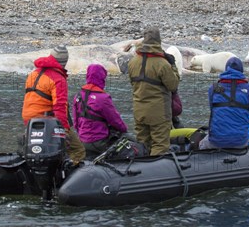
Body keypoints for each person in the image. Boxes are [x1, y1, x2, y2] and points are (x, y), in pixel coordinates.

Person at [21, 45, 86, 164]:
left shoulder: (33, 74)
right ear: (64, 62)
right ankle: (67, 177)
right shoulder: (58, 79)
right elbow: (60, 107)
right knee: (78, 150)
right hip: (46, 121)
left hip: (29, 122)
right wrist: (65, 130)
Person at [128, 26, 180, 155]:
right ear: (158, 40)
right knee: (160, 144)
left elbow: (132, 83)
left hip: (139, 110)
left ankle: (139, 169)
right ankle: (156, 172)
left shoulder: (133, 62)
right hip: (159, 112)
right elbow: (173, 85)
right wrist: (172, 65)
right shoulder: (162, 63)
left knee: (142, 143)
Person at [199, 56, 249, 150]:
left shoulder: (213, 88)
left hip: (216, 141)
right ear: (241, 71)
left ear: (226, 69)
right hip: (240, 142)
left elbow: (213, 109)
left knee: (201, 144)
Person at [72, 64, 129, 158]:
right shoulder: (103, 98)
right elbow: (116, 121)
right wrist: (125, 131)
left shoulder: (78, 95)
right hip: (99, 142)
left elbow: (75, 122)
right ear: (102, 78)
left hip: (82, 141)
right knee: (129, 139)